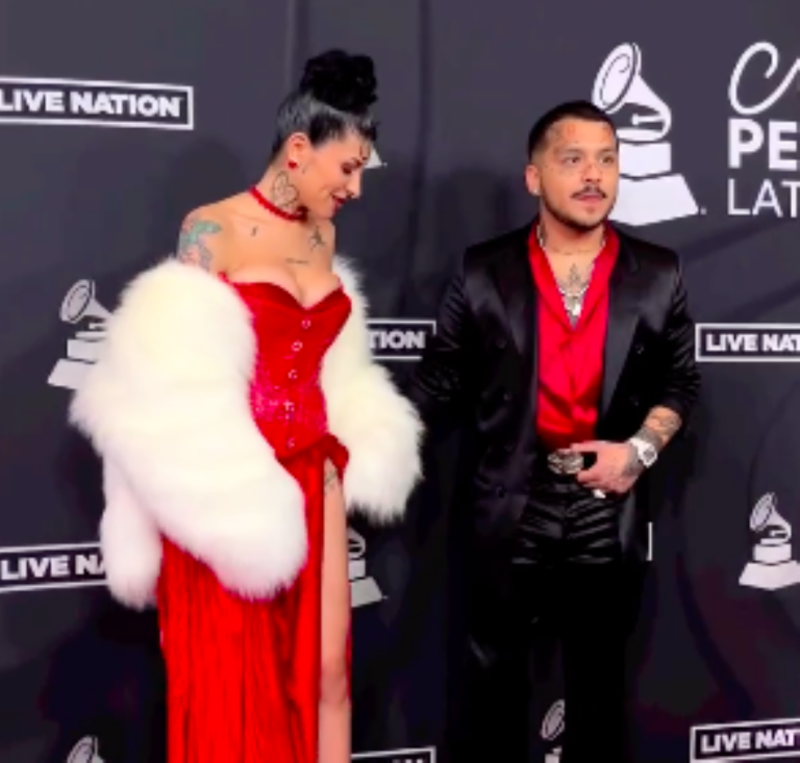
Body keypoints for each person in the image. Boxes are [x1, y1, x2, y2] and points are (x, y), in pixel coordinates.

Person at [68, 50, 423, 763]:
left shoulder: (324, 234)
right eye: (347, 168)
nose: (356, 188)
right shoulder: (211, 229)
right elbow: (171, 379)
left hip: (316, 470)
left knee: (328, 672)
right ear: (298, 151)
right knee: (232, 684)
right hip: (228, 486)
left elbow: (327, 361)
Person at [406, 100, 700, 762]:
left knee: (601, 695)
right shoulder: (482, 270)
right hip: (509, 503)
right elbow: (437, 382)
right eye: (573, 159)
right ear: (534, 177)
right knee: (490, 697)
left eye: (607, 159)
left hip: (606, 506)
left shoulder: (659, 273)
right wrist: (354, 442)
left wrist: (638, 452)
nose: (594, 175)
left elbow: (680, 382)